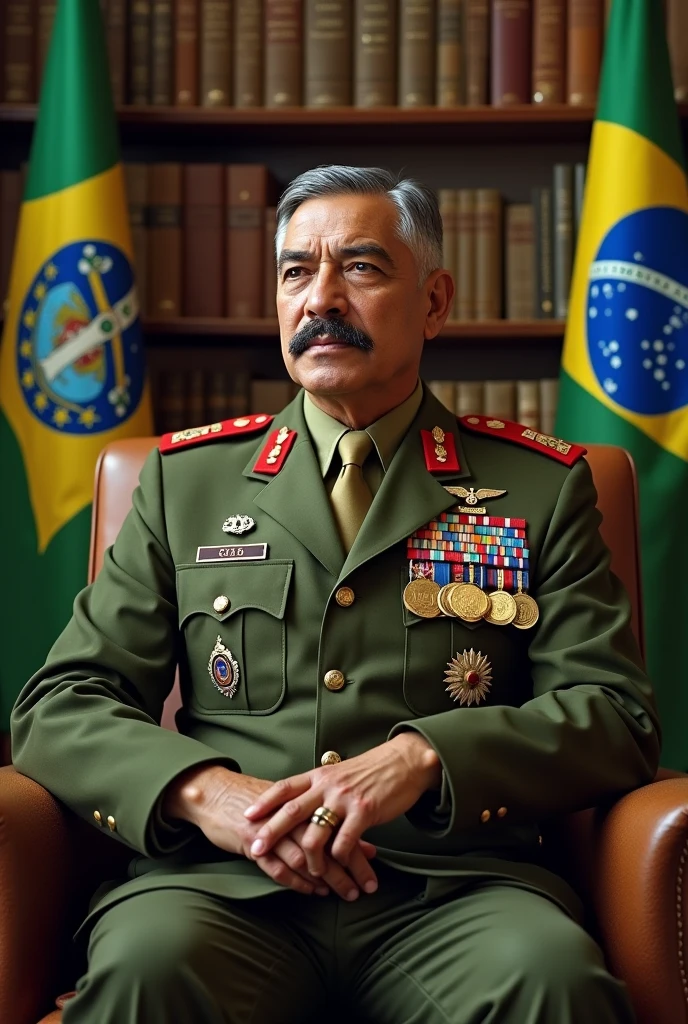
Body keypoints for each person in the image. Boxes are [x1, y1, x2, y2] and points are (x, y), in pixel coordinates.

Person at [11, 165, 660, 1024]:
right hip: (223, 887)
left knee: (549, 978)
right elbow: (61, 705)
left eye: (359, 267)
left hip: (451, 891)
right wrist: (206, 793)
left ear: (433, 303)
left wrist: (423, 757)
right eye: (294, 272)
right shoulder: (184, 483)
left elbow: (615, 715)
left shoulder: (540, 487)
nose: (321, 298)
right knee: (147, 967)